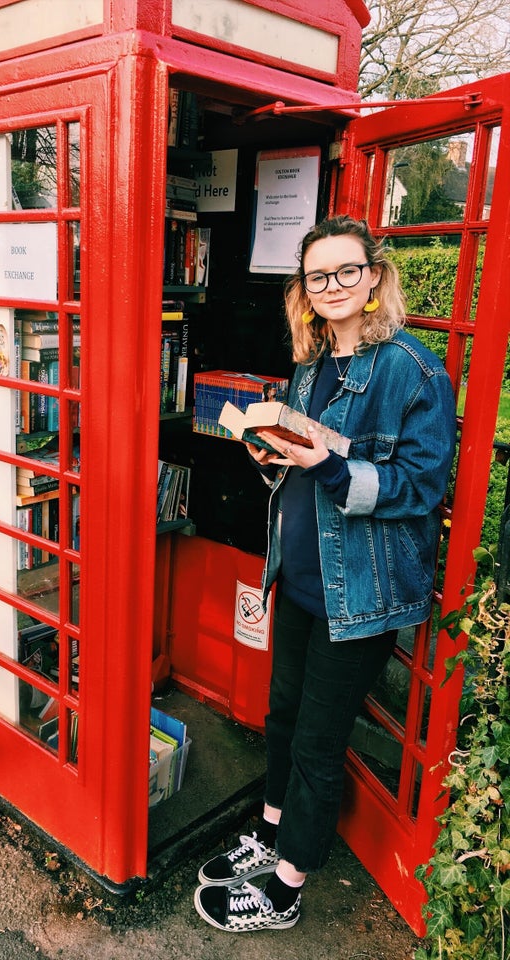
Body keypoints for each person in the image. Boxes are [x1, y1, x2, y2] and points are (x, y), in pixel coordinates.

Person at [193, 215, 457, 933]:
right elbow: (307, 465)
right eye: (318, 276)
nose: (333, 286)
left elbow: (422, 488)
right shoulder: (313, 365)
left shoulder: (413, 369)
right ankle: (276, 830)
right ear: (303, 291)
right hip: (302, 577)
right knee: (283, 718)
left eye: (346, 271)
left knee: (316, 739)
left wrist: (331, 465)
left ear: (374, 276)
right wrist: (273, 452)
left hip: (363, 593)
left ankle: (286, 886)